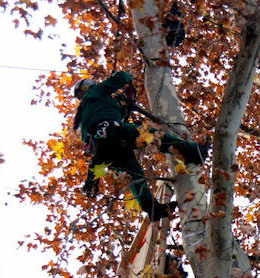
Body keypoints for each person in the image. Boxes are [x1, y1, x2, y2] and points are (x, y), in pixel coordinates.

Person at [73, 71, 210, 221]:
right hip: (113, 132)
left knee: (134, 174)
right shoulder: (96, 91)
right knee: (155, 137)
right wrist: (119, 76)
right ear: (90, 86)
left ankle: (152, 208)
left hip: (104, 151)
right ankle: (195, 152)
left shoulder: (83, 115)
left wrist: (123, 107)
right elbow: (123, 78)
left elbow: (108, 115)